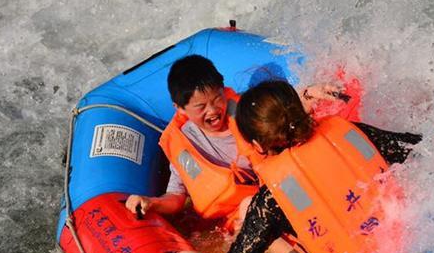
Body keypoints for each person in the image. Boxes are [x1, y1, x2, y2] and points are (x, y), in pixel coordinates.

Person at [173, 80, 422, 253]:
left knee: (249, 211)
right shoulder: (349, 132)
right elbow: (419, 151)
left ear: (257, 144)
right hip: (415, 252)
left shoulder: (269, 199)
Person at [125, 55, 334, 233]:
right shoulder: (184, 143)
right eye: (201, 107)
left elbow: (281, 114)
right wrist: (151, 202)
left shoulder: (246, 112)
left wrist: (307, 95)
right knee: (245, 210)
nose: (213, 110)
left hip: (278, 196)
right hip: (237, 223)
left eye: (217, 99)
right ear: (180, 108)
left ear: (224, 89)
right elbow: (177, 196)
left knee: (250, 206)